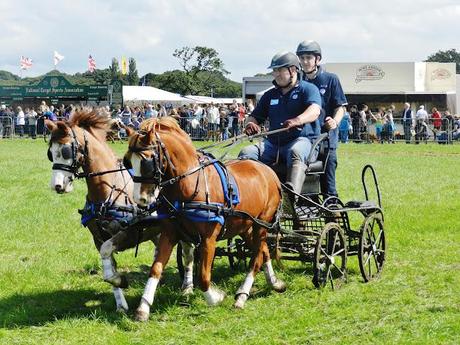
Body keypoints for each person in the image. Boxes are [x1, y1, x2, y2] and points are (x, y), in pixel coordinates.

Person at [238, 51, 321, 197]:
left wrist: (297, 120)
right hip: (273, 144)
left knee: (295, 151)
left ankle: (292, 197)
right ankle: (249, 196)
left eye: (279, 70)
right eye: (274, 70)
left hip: (302, 140)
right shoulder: (270, 95)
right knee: (247, 152)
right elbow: (254, 117)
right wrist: (250, 124)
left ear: (293, 70)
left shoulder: (308, 89)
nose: (275, 74)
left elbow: (315, 111)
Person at [296, 40, 347, 197]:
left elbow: (341, 107)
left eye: (308, 58)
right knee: (304, 181)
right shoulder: (296, 80)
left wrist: (335, 121)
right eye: (302, 58)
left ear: (317, 59)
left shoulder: (331, 79)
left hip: (326, 138)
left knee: (327, 182)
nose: (305, 62)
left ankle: (332, 212)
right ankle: (307, 211)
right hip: (303, 138)